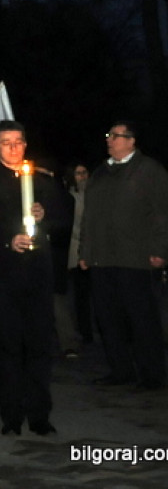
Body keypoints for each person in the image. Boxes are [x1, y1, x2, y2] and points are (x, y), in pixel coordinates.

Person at [0, 119, 71, 436]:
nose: (13, 147)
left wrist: (46, 217)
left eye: (19, 141)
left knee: (39, 347)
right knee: (9, 348)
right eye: (6, 142)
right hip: (5, 278)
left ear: (26, 145)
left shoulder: (44, 183)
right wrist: (5, 241)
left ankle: (40, 415)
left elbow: (64, 223)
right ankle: (11, 416)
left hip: (39, 276)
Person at [79, 121, 168, 390]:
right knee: (108, 318)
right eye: (109, 135)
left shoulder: (149, 170)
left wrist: (160, 249)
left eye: (116, 136)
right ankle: (120, 370)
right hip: (103, 258)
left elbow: (162, 213)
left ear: (131, 141)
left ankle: (152, 374)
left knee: (141, 318)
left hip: (136, 257)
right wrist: (86, 251)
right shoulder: (101, 173)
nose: (110, 140)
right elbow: (88, 217)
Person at [63, 162, 94, 350]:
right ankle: (84, 331)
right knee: (79, 296)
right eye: (78, 173)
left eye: (84, 172)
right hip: (75, 253)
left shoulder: (94, 195)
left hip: (92, 252)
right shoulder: (71, 197)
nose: (82, 177)